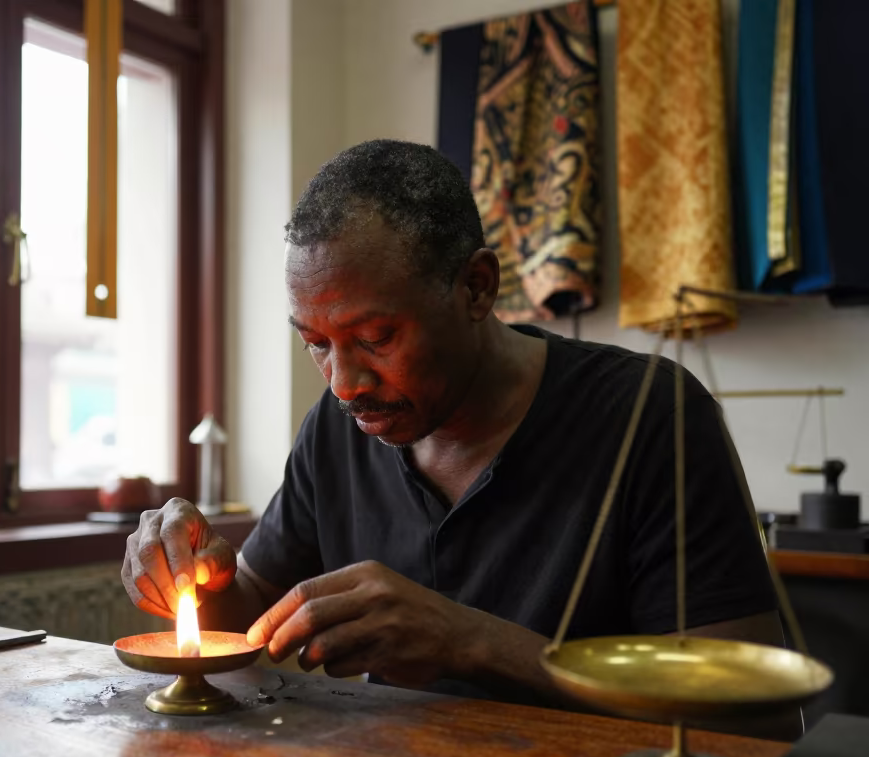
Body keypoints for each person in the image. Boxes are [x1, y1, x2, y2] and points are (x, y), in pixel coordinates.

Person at [121, 139, 783, 715]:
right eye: (316, 342)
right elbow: (249, 614)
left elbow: (745, 709)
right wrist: (186, 576)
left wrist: (472, 641)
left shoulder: (649, 416)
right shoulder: (335, 429)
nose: (343, 382)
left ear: (476, 287)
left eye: (377, 336)